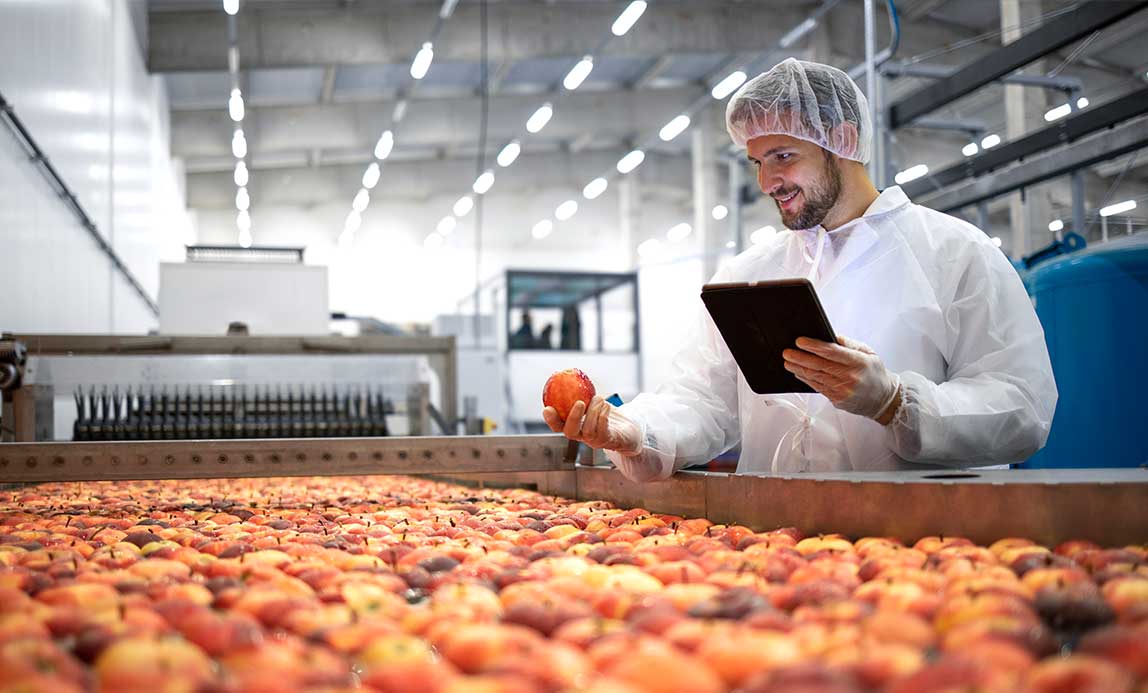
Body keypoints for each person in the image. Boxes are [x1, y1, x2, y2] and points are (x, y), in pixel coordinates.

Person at [542, 58, 1057, 481]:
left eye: (783, 155)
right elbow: (701, 399)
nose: (768, 181)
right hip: (780, 541)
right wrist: (636, 432)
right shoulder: (748, 275)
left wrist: (897, 403)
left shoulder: (955, 254)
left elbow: (1022, 408)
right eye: (757, 162)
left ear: (844, 139)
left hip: (925, 544)